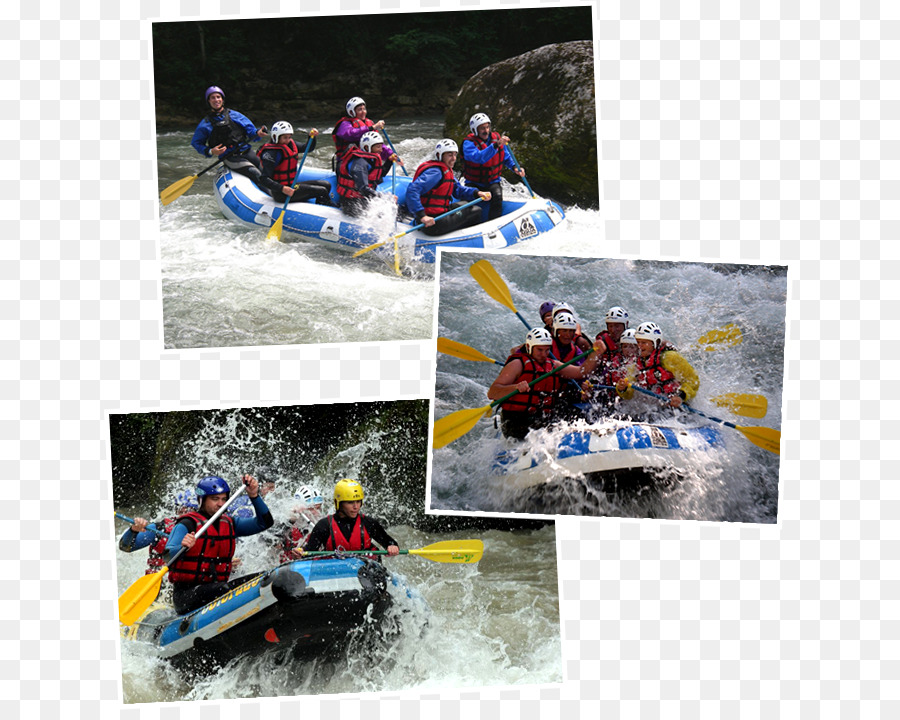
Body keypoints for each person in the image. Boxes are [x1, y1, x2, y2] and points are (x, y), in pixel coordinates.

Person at [164, 474, 274, 615]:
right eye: (215, 499)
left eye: (223, 499)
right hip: (187, 595)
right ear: (201, 500)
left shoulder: (230, 523)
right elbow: (166, 556)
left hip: (218, 587)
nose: (221, 504)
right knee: (224, 588)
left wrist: (254, 495)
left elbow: (265, 523)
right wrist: (183, 547)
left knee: (264, 577)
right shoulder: (187, 524)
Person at [488, 327, 606, 440]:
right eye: (539, 350)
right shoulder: (517, 364)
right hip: (516, 421)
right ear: (529, 347)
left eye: (547, 350)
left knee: (577, 416)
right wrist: (515, 387)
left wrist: (596, 353)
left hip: (542, 418)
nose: (544, 354)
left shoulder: (553, 365)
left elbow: (581, 372)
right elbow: (492, 392)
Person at [405, 140, 492, 236]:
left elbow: (458, 190)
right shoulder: (436, 173)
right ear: (439, 155)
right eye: (450, 155)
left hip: (440, 212)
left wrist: (477, 192)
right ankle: (466, 239)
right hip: (432, 222)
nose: (454, 158)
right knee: (476, 211)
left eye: (455, 155)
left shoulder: (445, 170)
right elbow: (412, 190)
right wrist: (422, 216)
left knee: (466, 204)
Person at [300, 479, 400, 558]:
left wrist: (392, 547)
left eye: (358, 501)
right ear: (339, 503)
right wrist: (301, 553)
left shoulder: (369, 523)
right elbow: (309, 553)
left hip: (366, 574)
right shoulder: (324, 526)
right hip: (335, 575)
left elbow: (390, 543)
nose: (356, 507)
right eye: (350, 502)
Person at [190, 86, 267, 183]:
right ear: (208, 101)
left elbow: (252, 132)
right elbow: (196, 143)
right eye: (212, 98)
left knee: (267, 172)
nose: (216, 100)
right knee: (255, 173)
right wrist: (211, 151)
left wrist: (258, 133)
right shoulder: (205, 124)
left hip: (247, 152)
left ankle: (284, 194)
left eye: (218, 97)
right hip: (230, 157)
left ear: (222, 99)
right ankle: (272, 197)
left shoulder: (235, 115)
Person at [615, 322, 700, 408]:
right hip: (655, 409)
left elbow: (693, 380)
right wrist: (622, 389)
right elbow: (629, 395)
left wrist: (680, 396)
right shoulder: (635, 364)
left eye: (644, 343)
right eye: (638, 342)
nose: (640, 346)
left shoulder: (670, 357)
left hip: (679, 407)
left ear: (655, 343)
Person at [461, 113, 526, 220]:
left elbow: (505, 156)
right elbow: (479, 158)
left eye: (487, 127)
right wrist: (495, 145)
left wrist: (514, 167)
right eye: (482, 128)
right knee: (469, 204)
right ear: (475, 130)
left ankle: (494, 223)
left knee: (497, 196)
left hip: (492, 181)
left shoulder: (496, 138)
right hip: (474, 182)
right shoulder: (468, 143)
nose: (486, 130)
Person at [118, 490, 198, 576]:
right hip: (160, 582)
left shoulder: (205, 529)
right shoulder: (160, 529)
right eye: (181, 511)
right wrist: (133, 530)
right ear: (176, 511)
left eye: (189, 511)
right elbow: (125, 546)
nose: (184, 515)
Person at [256, 121, 333, 206]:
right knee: (322, 190)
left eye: (289, 137)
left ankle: (321, 205)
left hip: (291, 186)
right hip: (281, 193)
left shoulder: (290, 144)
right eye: (285, 137)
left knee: (326, 185)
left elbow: (308, 148)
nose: (288, 140)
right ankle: (329, 207)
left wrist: (311, 137)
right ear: (275, 137)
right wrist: (282, 188)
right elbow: (263, 179)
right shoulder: (271, 154)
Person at [332, 97, 402, 173]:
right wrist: (372, 127)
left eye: (364, 109)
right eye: (360, 110)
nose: (363, 112)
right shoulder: (344, 124)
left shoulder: (369, 123)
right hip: (347, 162)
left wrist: (391, 155)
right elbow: (350, 134)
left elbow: (378, 144)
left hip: (366, 161)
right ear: (351, 112)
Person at [336, 131, 396, 217]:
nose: (381, 150)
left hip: (362, 198)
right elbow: (363, 189)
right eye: (378, 147)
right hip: (351, 203)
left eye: (381, 146)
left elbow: (378, 175)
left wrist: (389, 161)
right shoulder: (360, 164)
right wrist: (385, 198)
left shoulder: (369, 159)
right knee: (384, 212)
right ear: (367, 148)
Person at [273, 485, 327, 563]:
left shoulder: (324, 525)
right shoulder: (286, 525)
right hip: (288, 570)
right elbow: (268, 539)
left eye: (318, 508)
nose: (316, 513)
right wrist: (291, 520)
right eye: (311, 509)